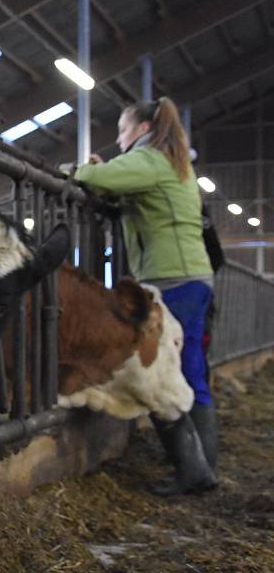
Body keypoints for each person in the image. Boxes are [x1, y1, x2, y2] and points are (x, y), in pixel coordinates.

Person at [75, 97, 218, 496]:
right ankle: (201, 463)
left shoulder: (150, 159)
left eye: (122, 130)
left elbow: (92, 178)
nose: (119, 139)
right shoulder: (167, 161)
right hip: (187, 276)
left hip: (176, 280)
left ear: (141, 130)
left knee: (178, 370)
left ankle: (197, 470)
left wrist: (88, 168)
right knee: (189, 367)